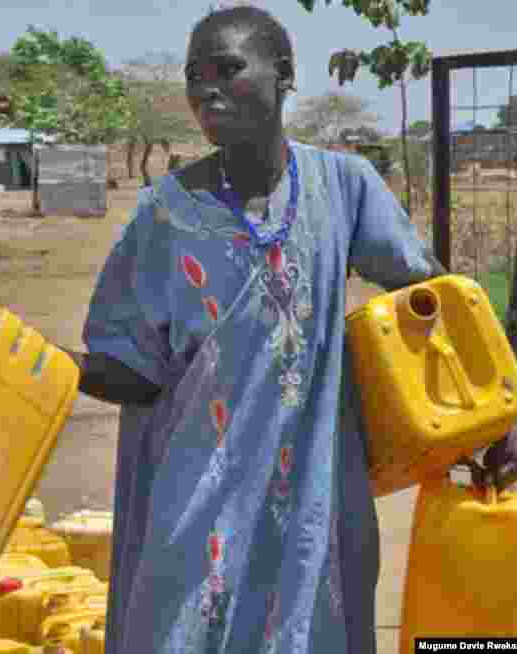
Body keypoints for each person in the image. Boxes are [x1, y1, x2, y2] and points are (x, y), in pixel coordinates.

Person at [59, 5, 446, 654]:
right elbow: (135, 371)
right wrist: (52, 366)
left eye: (228, 69)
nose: (206, 88)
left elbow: (428, 293)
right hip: (199, 505)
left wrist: (498, 410)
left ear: (284, 75)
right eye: (194, 76)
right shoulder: (164, 216)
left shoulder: (343, 187)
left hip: (312, 505)